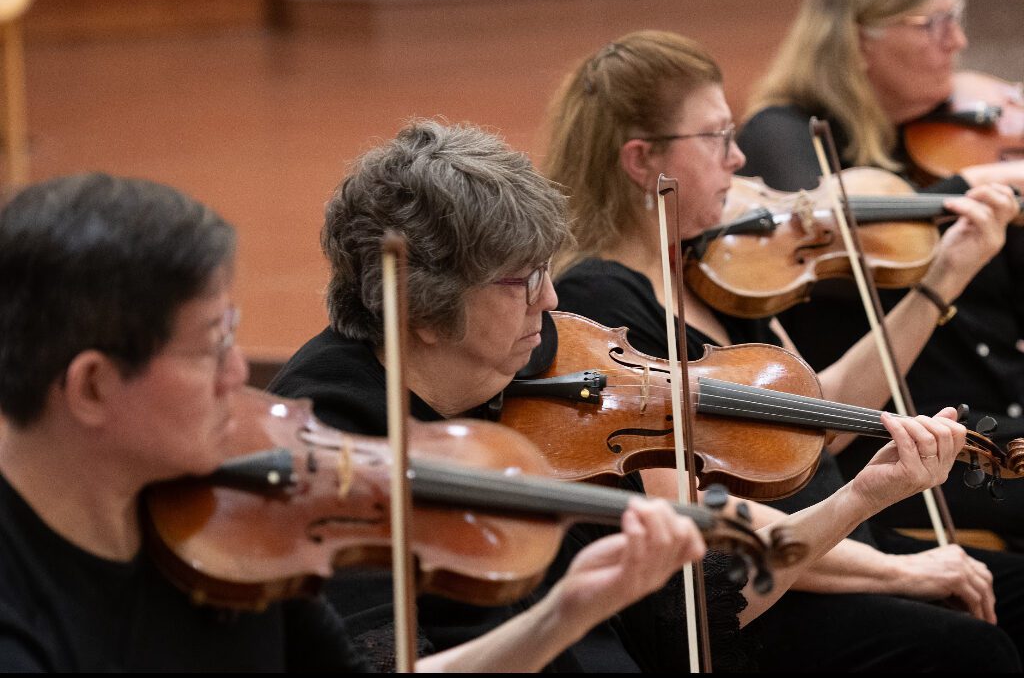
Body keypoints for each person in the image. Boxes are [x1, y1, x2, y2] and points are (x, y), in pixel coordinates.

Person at [270, 118, 990, 672]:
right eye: (520, 281)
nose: (551, 300)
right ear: (421, 310)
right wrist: (569, 610)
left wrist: (858, 499)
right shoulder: (334, 445)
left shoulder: (541, 378)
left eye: (545, 270)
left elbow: (690, 610)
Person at [0, 172, 714, 672]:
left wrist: (563, 613)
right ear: (92, 386)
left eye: (232, 334)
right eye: (209, 346)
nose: (236, 372)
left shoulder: (230, 519)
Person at [544, 29, 1024, 671]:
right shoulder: (601, 305)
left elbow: (821, 419)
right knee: (972, 648)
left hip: (839, 548)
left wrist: (941, 282)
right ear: (641, 160)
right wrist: (895, 570)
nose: (739, 158)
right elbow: (694, 515)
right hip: (772, 597)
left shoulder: (705, 273)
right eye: (717, 137)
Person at [738, 0, 1024, 543]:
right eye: (935, 23)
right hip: (927, 449)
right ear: (856, 37)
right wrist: (970, 183)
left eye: (957, 19)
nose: (959, 42)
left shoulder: (950, 133)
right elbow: (831, 232)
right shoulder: (782, 135)